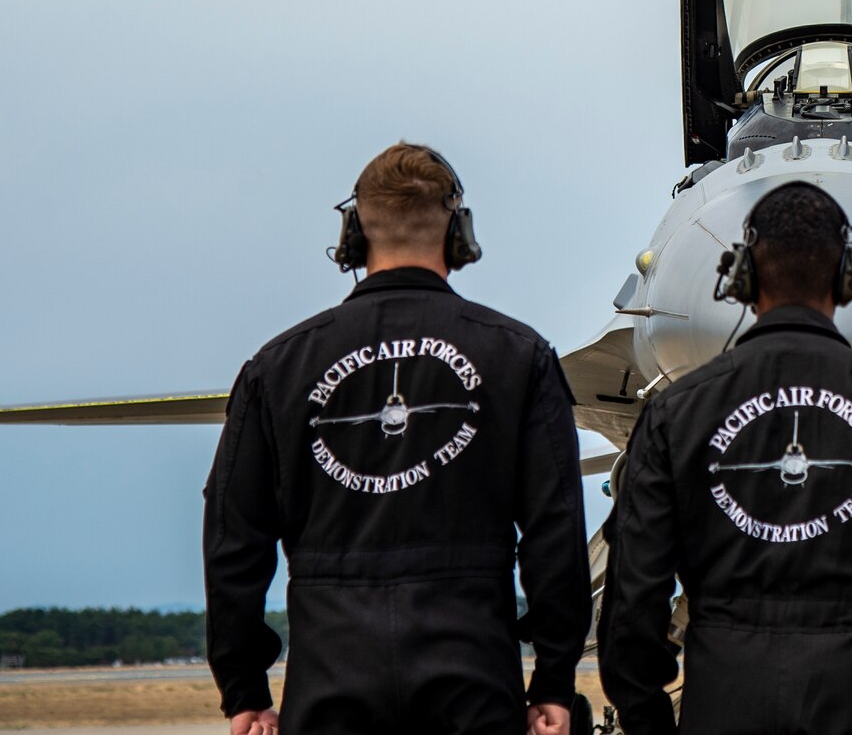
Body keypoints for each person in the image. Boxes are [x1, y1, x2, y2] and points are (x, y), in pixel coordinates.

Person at [203, 143, 590, 735]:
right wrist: (554, 680)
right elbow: (555, 529)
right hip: (473, 682)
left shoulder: (276, 369)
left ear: (352, 235)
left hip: (330, 683)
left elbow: (234, 540)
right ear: (459, 232)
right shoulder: (518, 357)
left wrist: (245, 692)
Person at [598, 182, 852, 735]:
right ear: (848, 278)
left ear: (741, 277)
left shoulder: (675, 415)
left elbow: (632, 600)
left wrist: (650, 722)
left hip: (718, 709)